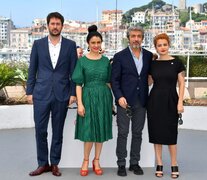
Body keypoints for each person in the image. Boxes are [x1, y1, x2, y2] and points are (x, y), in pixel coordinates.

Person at [26, 12, 77, 177]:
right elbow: (32, 69)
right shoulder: (38, 44)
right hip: (41, 93)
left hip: (62, 94)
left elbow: (74, 73)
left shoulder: (70, 45)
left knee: (58, 131)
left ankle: (54, 163)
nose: (55, 26)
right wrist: (29, 91)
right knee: (40, 130)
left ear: (62, 26)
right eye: (52, 23)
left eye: (58, 24)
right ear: (47, 25)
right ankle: (42, 164)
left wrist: (72, 93)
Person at [111, 25, 153, 176]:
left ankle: (134, 163)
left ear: (142, 38)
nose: (136, 39)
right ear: (128, 38)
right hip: (124, 101)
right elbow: (114, 80)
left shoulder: (148, 55)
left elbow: (149, 75)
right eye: (133, 36)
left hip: (141, 101)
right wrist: (119, 97)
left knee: (137, 133)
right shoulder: (119, 56)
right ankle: (121, 163)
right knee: (122, 133)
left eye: (138, 36)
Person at [72, 25, 113, 176]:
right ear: (88, 44)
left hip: (104, 97)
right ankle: (85, 160)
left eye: (98, 42)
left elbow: (109, 83)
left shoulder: (105, 61)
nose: (96, 45)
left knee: (101, 129)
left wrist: (112, 103)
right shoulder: (82, 61)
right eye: (93, 43)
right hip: (87, 96)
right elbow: (78, 84)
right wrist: (80, 104)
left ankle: (97, 160)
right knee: (89, 131)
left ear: (101, 43)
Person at [147, 33, 185, 178]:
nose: (162, 47)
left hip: (171, 100)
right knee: (156, 134)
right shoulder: (153, 64)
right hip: (155, 101)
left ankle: (174, 163)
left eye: (164, 44)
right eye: (159, 45)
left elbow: (181, 83)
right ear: (155, 47)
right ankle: (159, 163)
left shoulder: (177, 63)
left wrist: (180, 102)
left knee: (171, 134)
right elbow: (149, 83)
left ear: (169, 45)